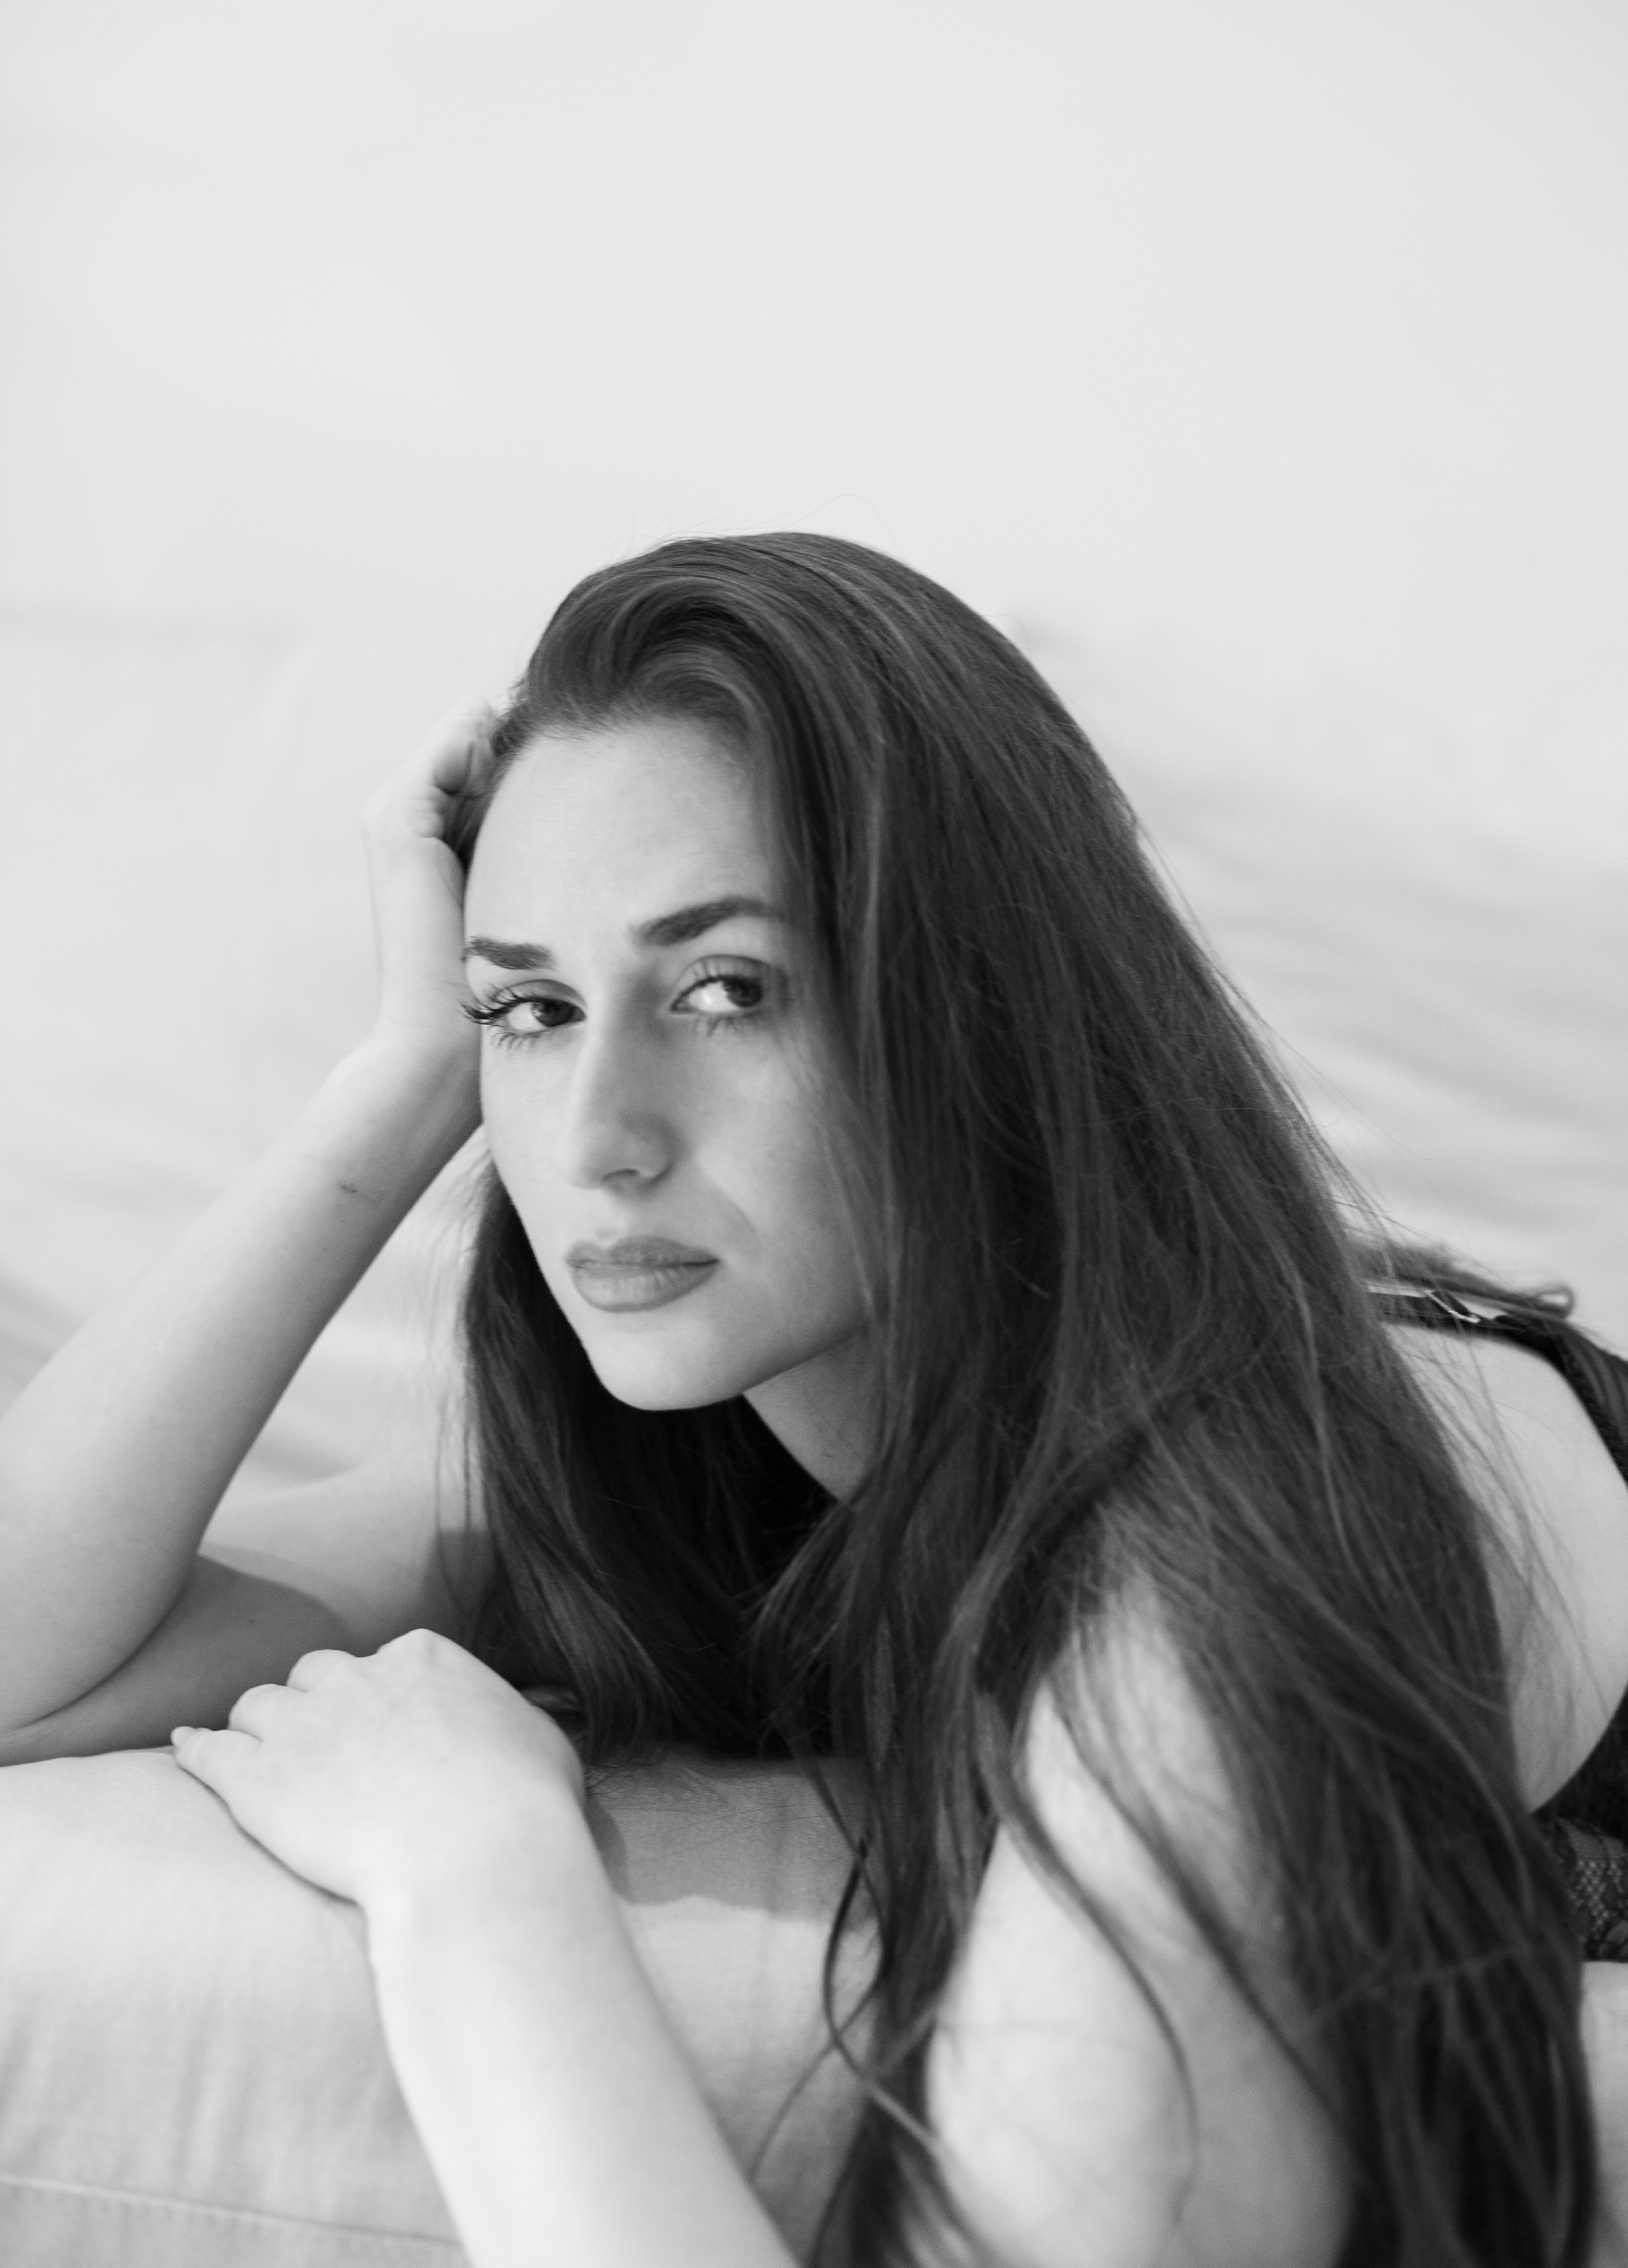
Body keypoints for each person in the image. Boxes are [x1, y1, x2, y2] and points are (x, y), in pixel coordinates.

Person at [2, 532, 1627, 2268]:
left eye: (724, 989)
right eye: (533, 1009)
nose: (595, 1140)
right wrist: (399, 1080)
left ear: (980, 1010)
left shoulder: (1245, 1529)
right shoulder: (706, 1439)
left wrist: (476, 1890)